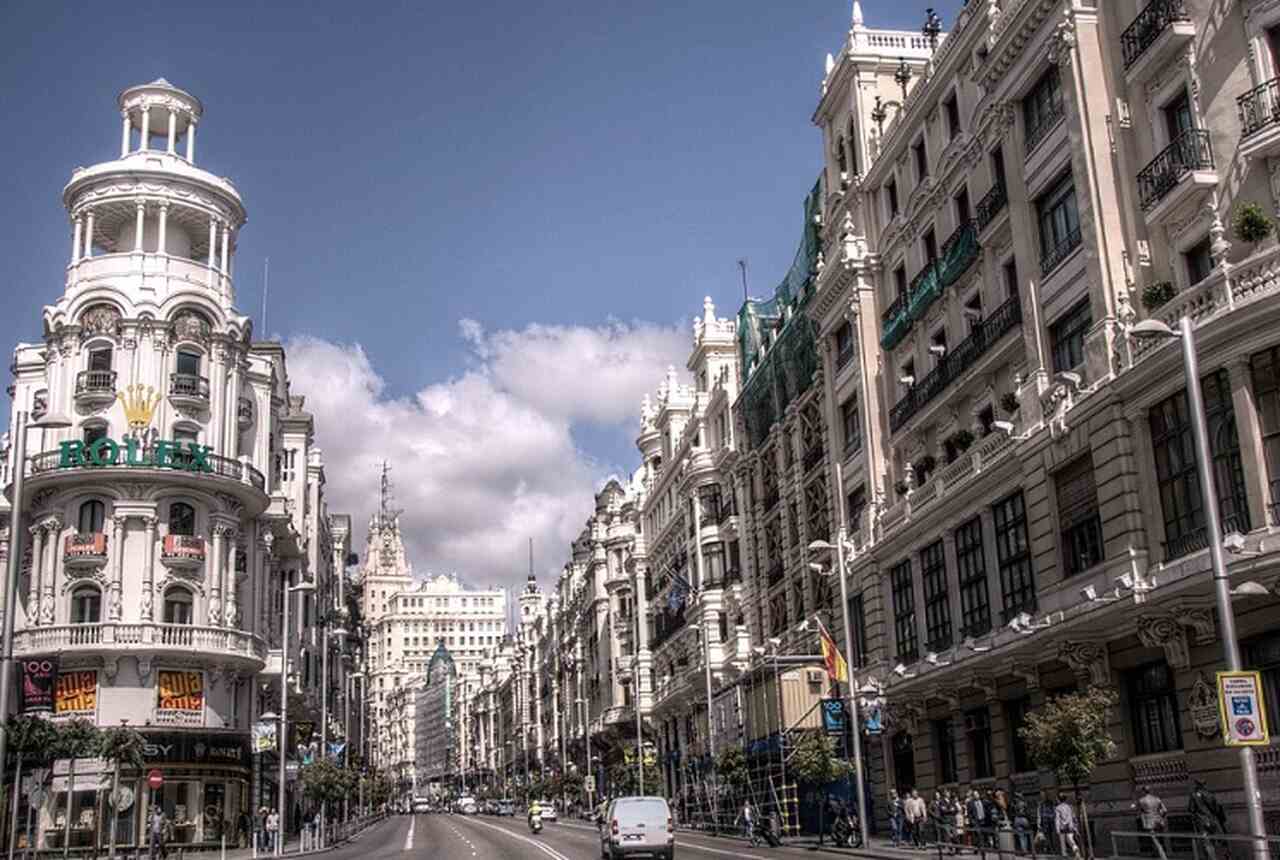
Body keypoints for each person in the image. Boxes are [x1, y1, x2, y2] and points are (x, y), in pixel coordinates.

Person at [1133, 786, 1167, 860]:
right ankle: (1156, 854)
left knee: (1155, 840)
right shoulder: (1157, 799)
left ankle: (1163, 856)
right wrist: (1160, 816)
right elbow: (1165, 810)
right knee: (1159, 839)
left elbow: (1134, 807)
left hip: (1149, 822)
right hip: (1159, 821)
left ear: (1143, 791)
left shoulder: (1142, 800)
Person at [1055, 795, 1082, 860]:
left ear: (1059, 800)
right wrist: (1075, 826)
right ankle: (1075, 849)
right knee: (1070, 840)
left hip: (1062, 827)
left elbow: (1057, 819)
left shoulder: (1058, 808)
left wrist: (1057, 828)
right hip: (1070, 826)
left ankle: (1064, 855)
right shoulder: (1070, 807)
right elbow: (1073, 816)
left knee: (1062, 841)